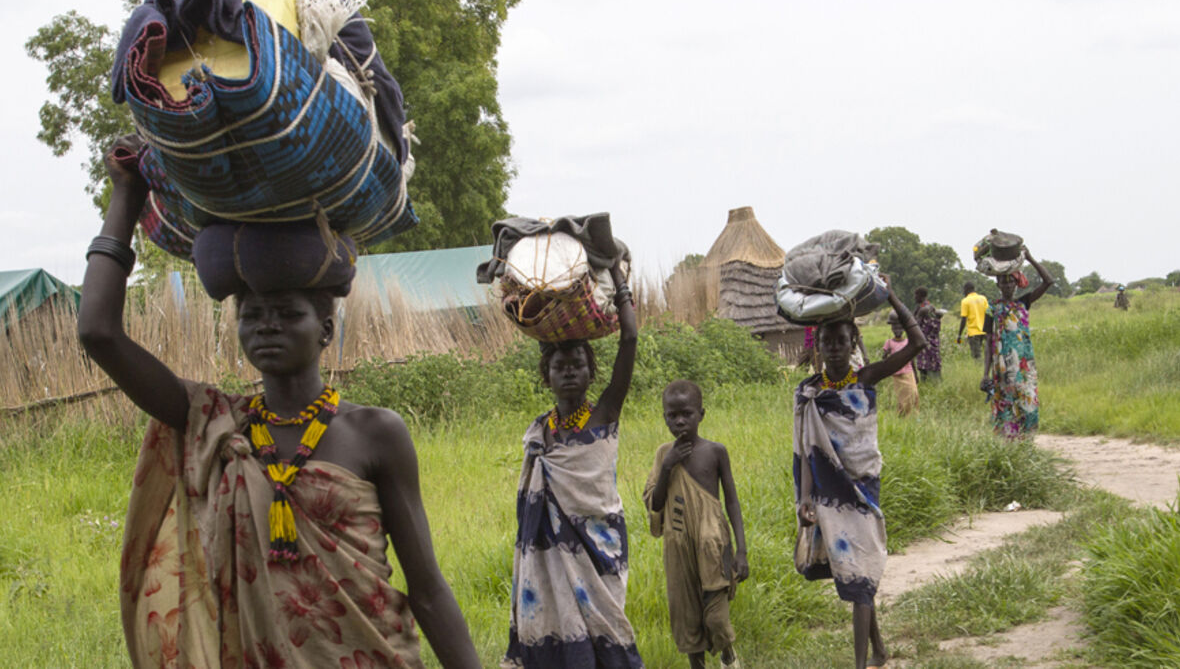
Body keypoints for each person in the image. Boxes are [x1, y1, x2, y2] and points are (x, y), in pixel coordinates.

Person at [78, 138, 480, 667]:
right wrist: (126, 196)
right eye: (251, 313)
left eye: (288, 312)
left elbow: (426, 587)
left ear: (326, 330)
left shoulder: (376, 433)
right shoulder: (219, 424)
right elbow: (98, 332)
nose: (266, 324)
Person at [502, 263, 644, 669]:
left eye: (577, 364)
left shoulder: (602, 416)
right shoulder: (540, 434)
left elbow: (630, 338)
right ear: (545, 375)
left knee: (604, 642)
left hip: (599, 549)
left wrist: (619, 281)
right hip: (545, 559)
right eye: (559, 365)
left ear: (591, 371)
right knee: (555, 639)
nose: (568, 371)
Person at [793, 279, 926, 669]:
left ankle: (860, 663)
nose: (834, 347)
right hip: (828, 495)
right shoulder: (809, 393)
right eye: (828, 341)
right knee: (855, 578)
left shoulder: (866, 379)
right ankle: (878, 652)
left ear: (854, 344)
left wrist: (892, 295)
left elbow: (917, 344)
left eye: (842, 340)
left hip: (864, 489)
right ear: (817, 346)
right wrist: (804, 498)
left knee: (860, 575)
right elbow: (806, 449)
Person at [644, 380, 749, 669]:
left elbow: (732, 502)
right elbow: (654, 503)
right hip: (678, 546)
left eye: (686, 414)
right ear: (664, 417)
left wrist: (741, 551)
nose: (679, 421)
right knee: (687, 615)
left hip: (714, 544)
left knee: (716, 617)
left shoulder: (716, 452)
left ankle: (727, 652)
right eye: (672, 415)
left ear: (701, 414)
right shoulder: (662, 455)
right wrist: (668, 466)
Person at [981, 249, 1054, 439]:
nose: (1007, 286)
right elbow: (988, 341)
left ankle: (1027, 445)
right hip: (1002, 369)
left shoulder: (1024, 303)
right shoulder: (991, 308)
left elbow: (1048, 281)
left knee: (1029, 409)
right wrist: (985, 373)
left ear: (1017, 283)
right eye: (1003, 282)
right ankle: (1009, 449)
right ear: (997, 284)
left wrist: (1029, 258)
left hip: (1024, 367)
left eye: (1011, 281)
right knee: (1006, 410)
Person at [882, 312, 919, 416]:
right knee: (902, 397)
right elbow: (884, 358)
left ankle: (913, 415)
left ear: (904, 328)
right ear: (891, 329)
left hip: (909, 373)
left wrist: (915, 374)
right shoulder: (889, 343)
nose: (897, 330)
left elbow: (912, 359)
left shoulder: (908, 342)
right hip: (897, 374)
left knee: (913, 394)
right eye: (894, 327)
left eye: (899, 327)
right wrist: (887, 357)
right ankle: (903, 416)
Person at [912, 287, 942, 381]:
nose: (914, 297)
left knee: (927, 363)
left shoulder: (925, 309)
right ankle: (928, 383)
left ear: (922, 296)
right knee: (927, 363)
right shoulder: (922, 307)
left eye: (916, 295)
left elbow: (915, 324)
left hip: (926, 341)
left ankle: (930, 383)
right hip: (926, 341)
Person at [958, 282, 989, 359]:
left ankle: (979, 370)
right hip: (984, 330)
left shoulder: (965, 301)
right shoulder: (983, 298)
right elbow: (988, 314)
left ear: (966, 289)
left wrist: (959, 334)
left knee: (976, 356)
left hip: (973, 332)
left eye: (964, 290)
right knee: (987, 353)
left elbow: (963, 319)